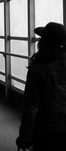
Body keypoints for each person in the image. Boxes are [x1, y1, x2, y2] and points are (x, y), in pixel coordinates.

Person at [16, 22, 66, 150]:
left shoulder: (38, 69)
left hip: (47, 129)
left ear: (44, 42)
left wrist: (25, 136)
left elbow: (31, 108)